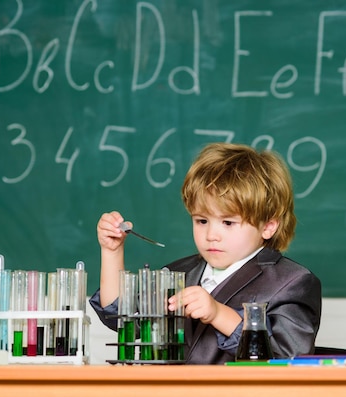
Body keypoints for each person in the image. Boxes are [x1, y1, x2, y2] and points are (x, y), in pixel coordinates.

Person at [89, 142, 322, 364]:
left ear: (268, 226)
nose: (211, 234)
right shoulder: (178, 272)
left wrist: (219, 314)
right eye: (201, 220)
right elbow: (120, 318)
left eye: (228, 223)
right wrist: (112, 251)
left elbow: (288, 358)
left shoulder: (293, 282)